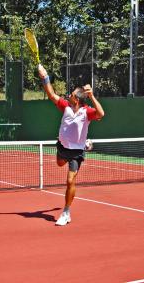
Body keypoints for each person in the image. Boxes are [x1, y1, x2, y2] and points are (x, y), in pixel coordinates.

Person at [38, 64, 105, 226]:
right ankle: (85, 143)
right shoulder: (65, 106)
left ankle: (66, 211)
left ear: (78, 99)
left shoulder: (87, 112)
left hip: (76, 153)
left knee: (70, 181)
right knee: (59, 163)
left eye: (72, 94)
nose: (69, 95)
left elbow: (101, 114)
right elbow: (51, 94)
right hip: (62, 147)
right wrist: (44, 77)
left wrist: (92, 96)